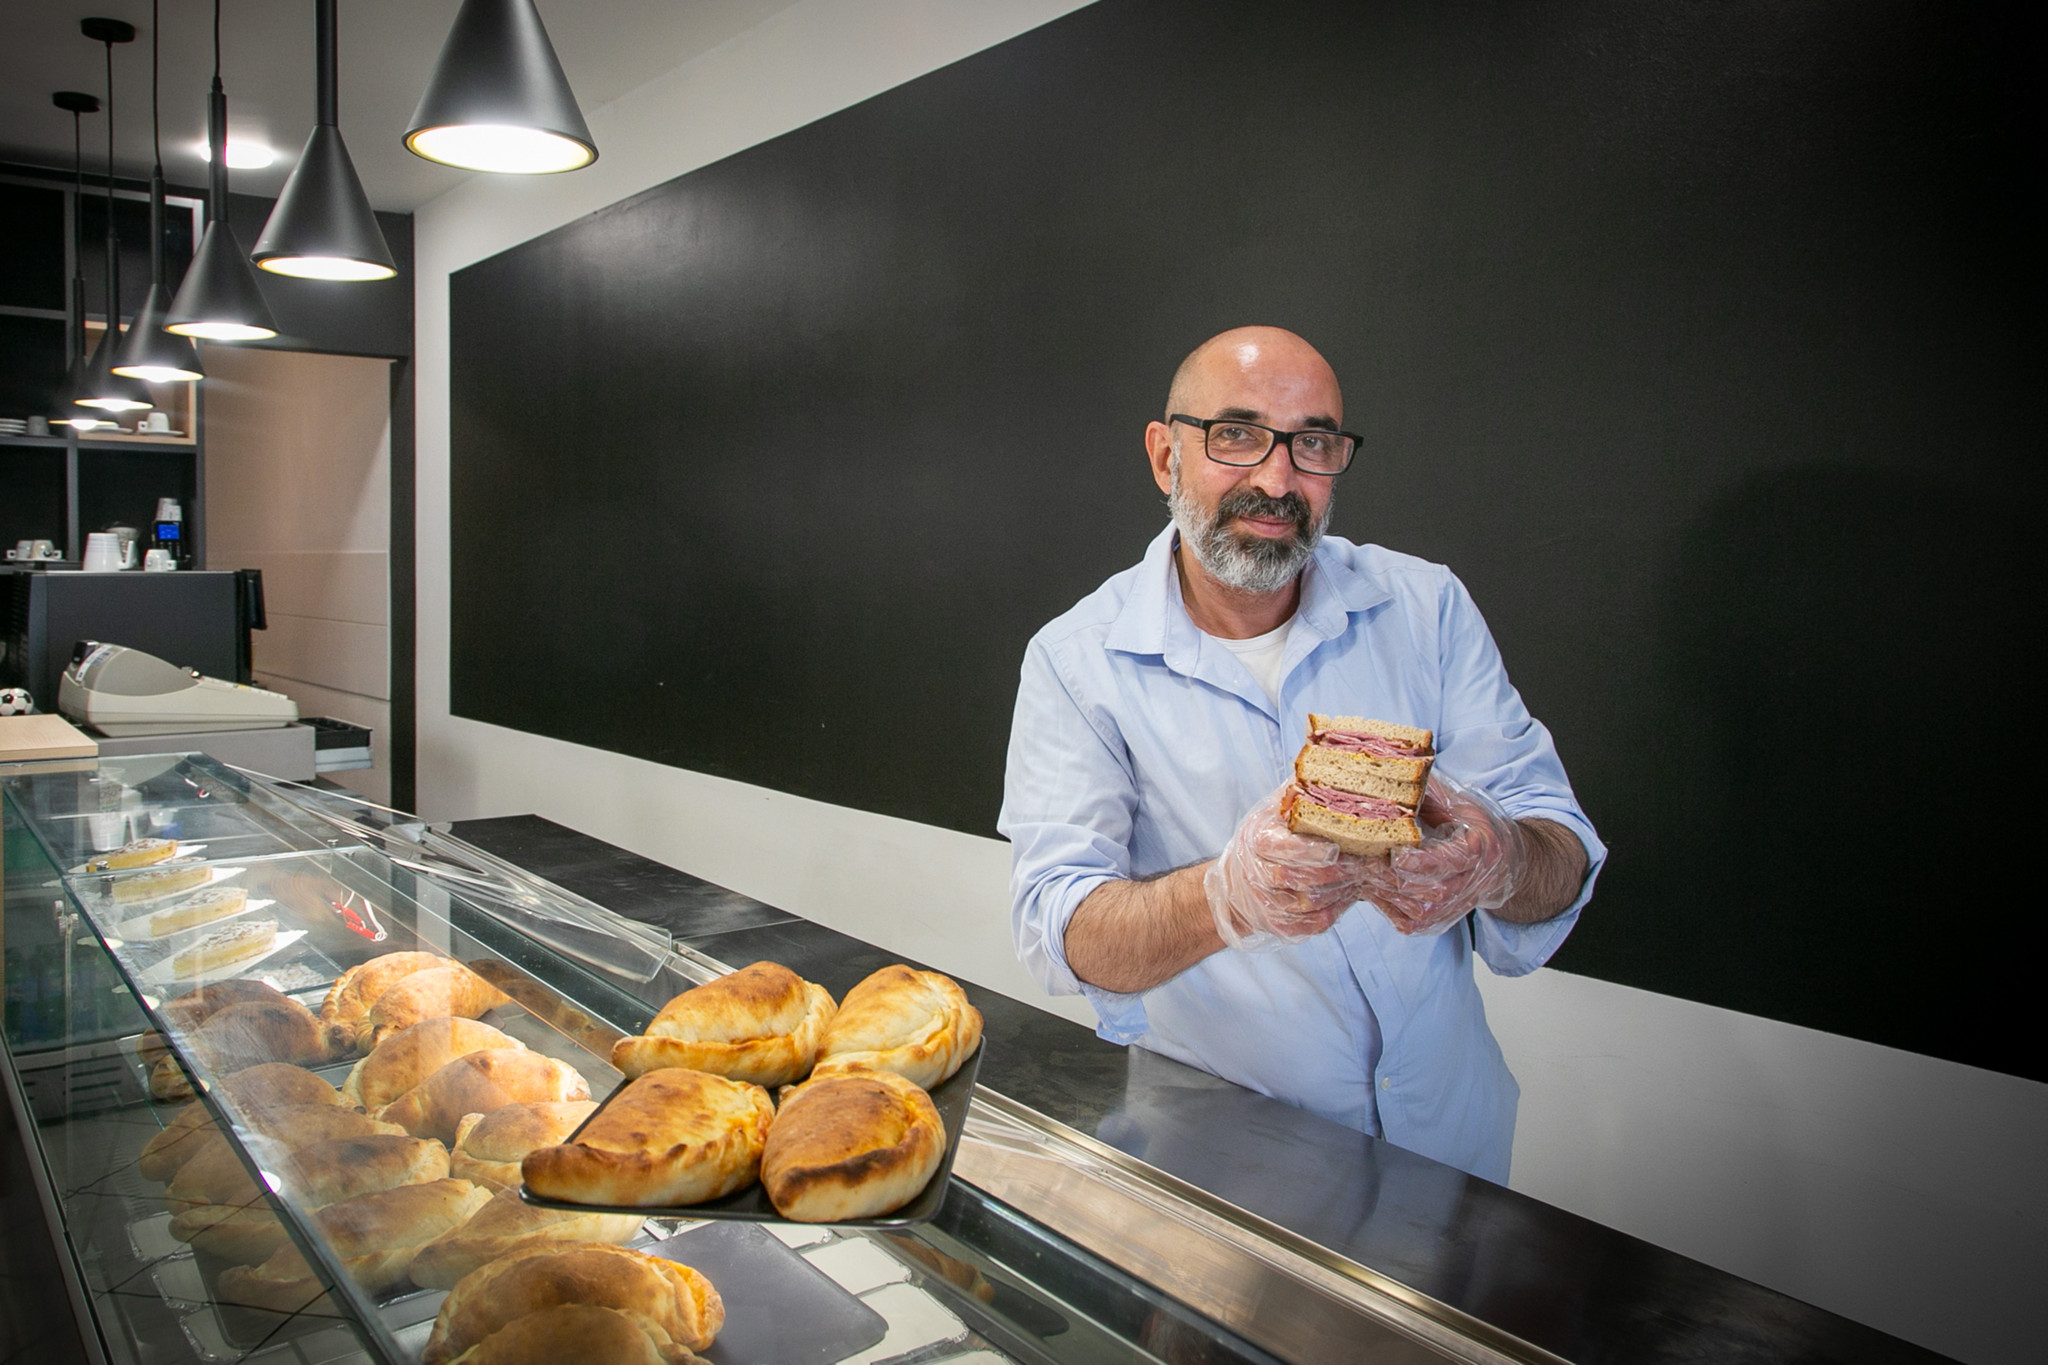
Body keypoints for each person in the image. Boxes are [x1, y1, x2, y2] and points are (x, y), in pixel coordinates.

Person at [998, 326, 1605, 1182]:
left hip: (1454, 1154)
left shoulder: (1425, 608)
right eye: (1236, 434)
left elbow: (1561, 852)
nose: (1279, 481)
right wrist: (1226, 896)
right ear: (1166, 455)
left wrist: (1500, 860)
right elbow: (1061, 929)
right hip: (1230, 1173)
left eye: (1313, 444)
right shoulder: (1076, 662)